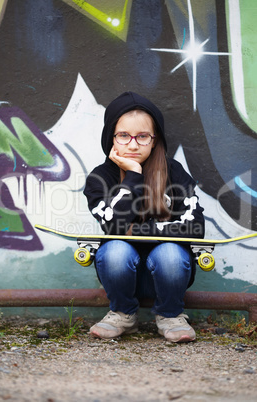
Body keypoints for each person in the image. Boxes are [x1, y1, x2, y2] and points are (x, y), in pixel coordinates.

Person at [83, 91, 205, 342]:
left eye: (142, 136)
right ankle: (122, 314)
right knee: (116, 250)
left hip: (170, 274)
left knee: (169, 253)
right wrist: (134, 176)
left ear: (154, 139)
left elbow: (195, 227)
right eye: (124, 136)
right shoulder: (100, 179)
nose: (133, 144)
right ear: (111, 138)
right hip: (121, 277)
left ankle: (170, 315)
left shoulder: (173, 172)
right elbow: (114, 226)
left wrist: (137, 232)